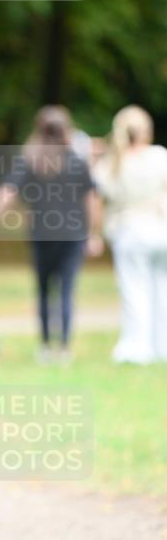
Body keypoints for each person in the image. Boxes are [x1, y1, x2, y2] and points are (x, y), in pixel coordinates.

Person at [0, 106, 99, 363]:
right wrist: (93, 234)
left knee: (44, 290)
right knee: (67, 290)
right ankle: (65, 348)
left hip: (42, 234)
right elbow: (91, 199)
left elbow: (8, 193)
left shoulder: (30, 161)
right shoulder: (77, 161)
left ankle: (45, 347)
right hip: (73, 235)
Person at [92, 105, 167, 364]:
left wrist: (96, 234)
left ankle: (137, 347)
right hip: (160, 229)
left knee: (134, 289)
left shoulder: (113, 163)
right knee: (162, 289)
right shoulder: (159, 156)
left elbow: (98, 198)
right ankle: (161, 346)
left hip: (130, 230)